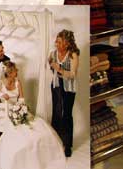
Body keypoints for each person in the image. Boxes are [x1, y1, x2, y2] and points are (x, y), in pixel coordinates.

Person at [0, 61, 66, 169]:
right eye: (15, 70)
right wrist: (1, 95)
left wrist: (20, 108)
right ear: (10, 73)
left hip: (17, 109)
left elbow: (21, 98)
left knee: (35, 125)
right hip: (4, 112)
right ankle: (18, 153)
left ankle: (38, 153)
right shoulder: (1, 83)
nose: (17, 71)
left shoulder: (18, 82)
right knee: (17, 130)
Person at [49, 29, 80, 157]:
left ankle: (67, 145)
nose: (56, 44)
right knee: (56, 112)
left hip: (69, 87)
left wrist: (60, 69)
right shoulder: (53, 53)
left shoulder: (73, 55)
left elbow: (72, 74)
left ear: (67, 43)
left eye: (59, 42)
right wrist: (51, 65)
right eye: (56, 41)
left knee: (66, 114)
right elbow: (50, 66)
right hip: (56, 85)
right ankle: (55, 142)